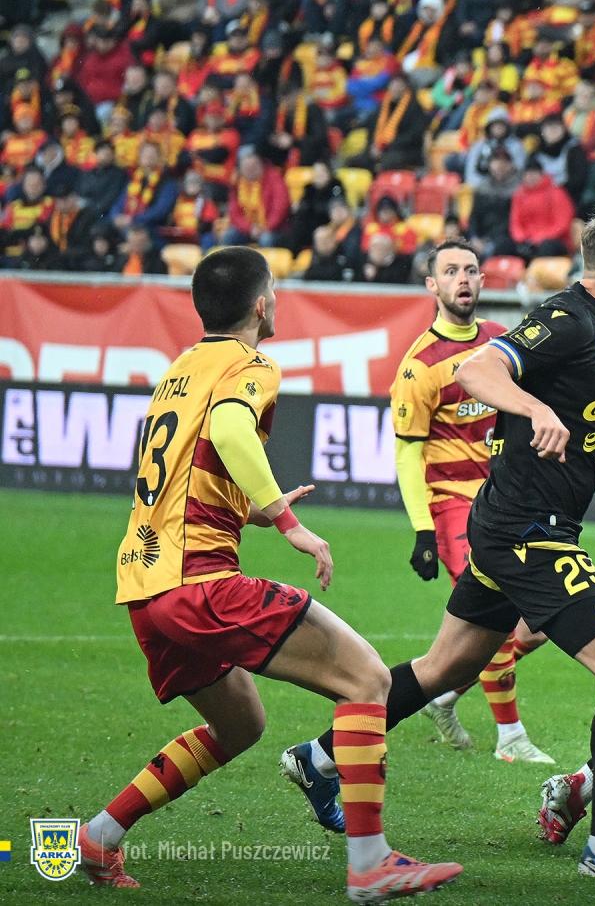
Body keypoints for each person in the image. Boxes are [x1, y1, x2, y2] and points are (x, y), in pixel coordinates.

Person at [288, 209, 595, 883]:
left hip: (519, 526)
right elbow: (477, 369)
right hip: (529, 531)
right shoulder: (567, 319)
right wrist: (535, 407)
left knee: (444, 666)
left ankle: (319, 758)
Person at [80, 247, 462, 899]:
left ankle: (99, 835)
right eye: (276, 291)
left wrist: (248, 509)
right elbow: (231, 430)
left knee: (241, 726)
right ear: (261, 305)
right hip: (199, 581)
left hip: (146, 587)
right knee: (369, 678)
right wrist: (287, 521)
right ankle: (371, 864)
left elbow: (182, 465)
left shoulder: (180, 369)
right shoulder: (251, 363)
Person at [382, 240, 551, 764]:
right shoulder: (419, 366)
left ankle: (444, 695)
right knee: (496, 617)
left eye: (471, 270)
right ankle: (511, 738)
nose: (463, 278)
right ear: (432, 285)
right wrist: (422, 529)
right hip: (453, 505)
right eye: (451, 271)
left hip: (506, 499)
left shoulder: (501, 343)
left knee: (542, 623)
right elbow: (407, 454)